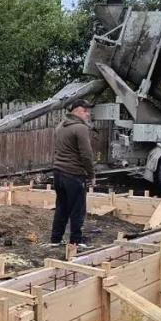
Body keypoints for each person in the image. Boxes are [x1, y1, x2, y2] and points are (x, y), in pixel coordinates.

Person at [50, 98, 95, 247]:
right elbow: (86, 155)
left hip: (58, 173)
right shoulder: (80, 128)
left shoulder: (60, 126)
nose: (88, 114)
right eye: (85, 111)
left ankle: (56, 239)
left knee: (61, 207)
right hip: (74, 174)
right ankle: (76, 241)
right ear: (77, 111)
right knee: (77, 209)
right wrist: (91, 175)